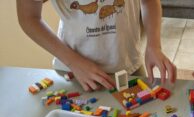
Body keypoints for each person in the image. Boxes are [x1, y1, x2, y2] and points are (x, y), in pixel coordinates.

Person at [17, 0, 176, 91]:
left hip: (129, 66)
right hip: (75, 73)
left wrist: (153, 45)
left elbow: (149, 1)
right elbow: (29, 18)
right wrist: (74, 62)